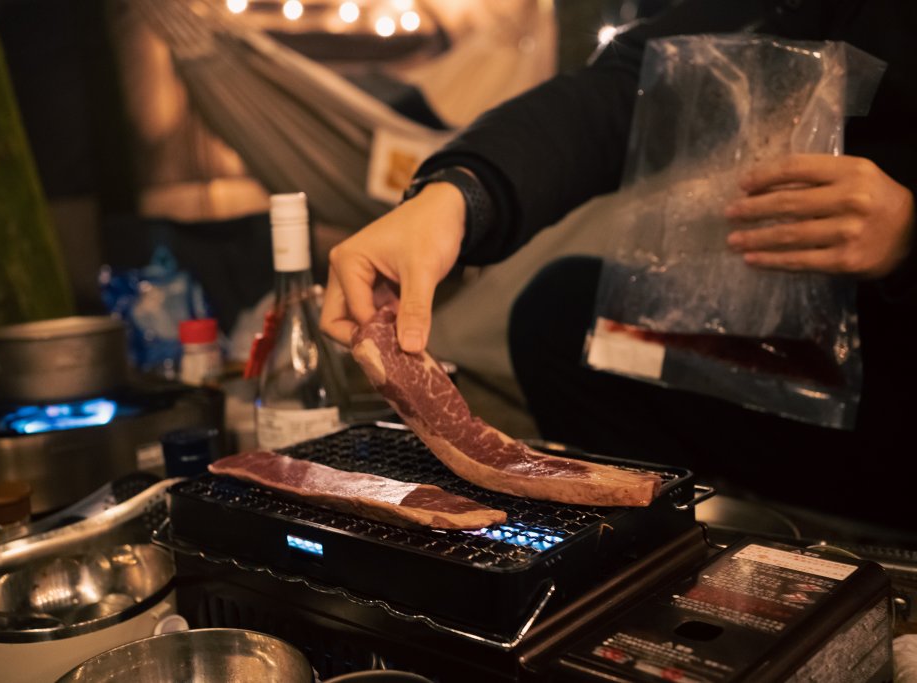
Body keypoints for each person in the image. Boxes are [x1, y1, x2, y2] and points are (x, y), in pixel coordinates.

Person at [320, 0, 916, 532]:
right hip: (808, 335)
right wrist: (458, 194)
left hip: (895, 378)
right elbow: (629, 83)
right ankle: (661, 542)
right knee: (560, 316)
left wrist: (909, 231)